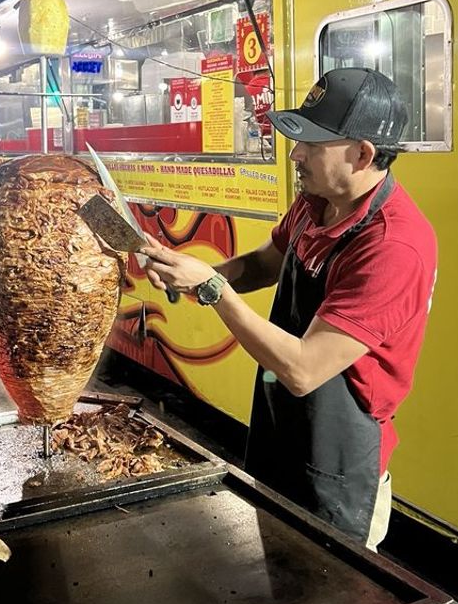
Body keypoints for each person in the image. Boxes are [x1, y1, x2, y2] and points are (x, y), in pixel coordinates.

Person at [141, 68, 437, 550]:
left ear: (362, 153)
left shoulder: (394, 247)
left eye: (312, 145)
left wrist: (214, 289)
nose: (295, 154)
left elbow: (303, 369)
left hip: (339, 461)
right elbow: (267, 261)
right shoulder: (315, 201)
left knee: (331, 603)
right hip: (283, 426)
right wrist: (189, 270)